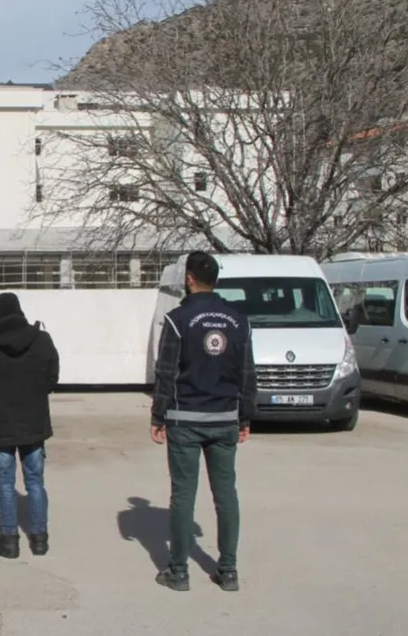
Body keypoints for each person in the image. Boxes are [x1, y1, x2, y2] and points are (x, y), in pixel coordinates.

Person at [150, 251, 257, 592]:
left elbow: (166, 372)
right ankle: (228, 571)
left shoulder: (178, 319)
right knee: (226, 495)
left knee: (183, 495)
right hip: (225, 418)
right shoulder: (239, 320)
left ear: (190, 278)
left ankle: (178, 571)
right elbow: (247, 374)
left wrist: (158, 415)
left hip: (186, 420)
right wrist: (245, 416)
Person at [0, 292, 59, 559]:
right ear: (20, 311)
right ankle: (40, 539)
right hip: (33, 421)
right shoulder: (41, 339)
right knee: (35, 481)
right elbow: (52, 377)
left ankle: (9, 541)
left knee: (5, 485)